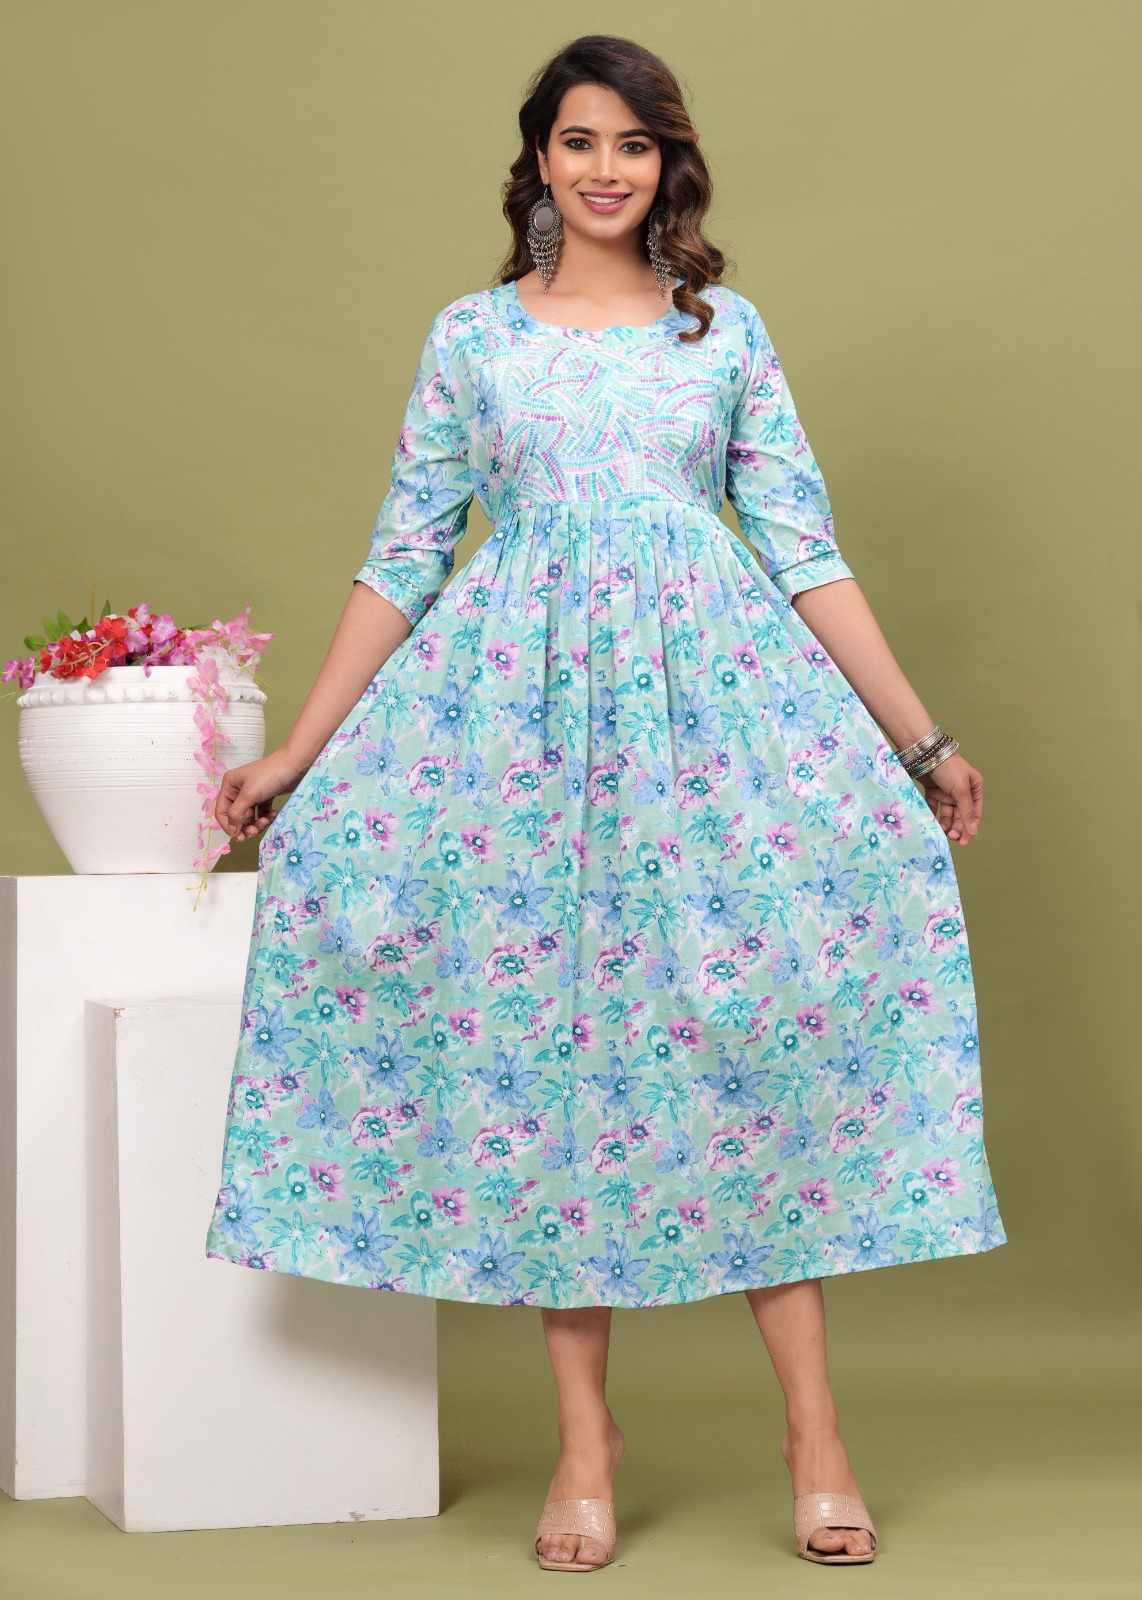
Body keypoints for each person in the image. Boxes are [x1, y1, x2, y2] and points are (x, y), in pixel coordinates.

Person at [205, 33, 1007, 1573]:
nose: (603, 169)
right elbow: (404, 550)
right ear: (536, 159)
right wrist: (300, 750)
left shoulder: (723, 334)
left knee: (746, 1044)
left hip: (709, 732)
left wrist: (918, 740)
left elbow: (801, 543)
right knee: (549, 1060)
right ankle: (584, 1445)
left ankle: (815, 1437)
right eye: (578, 141)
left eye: (633, 144)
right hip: (517, 741)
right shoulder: (472, 338)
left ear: (667, 165)